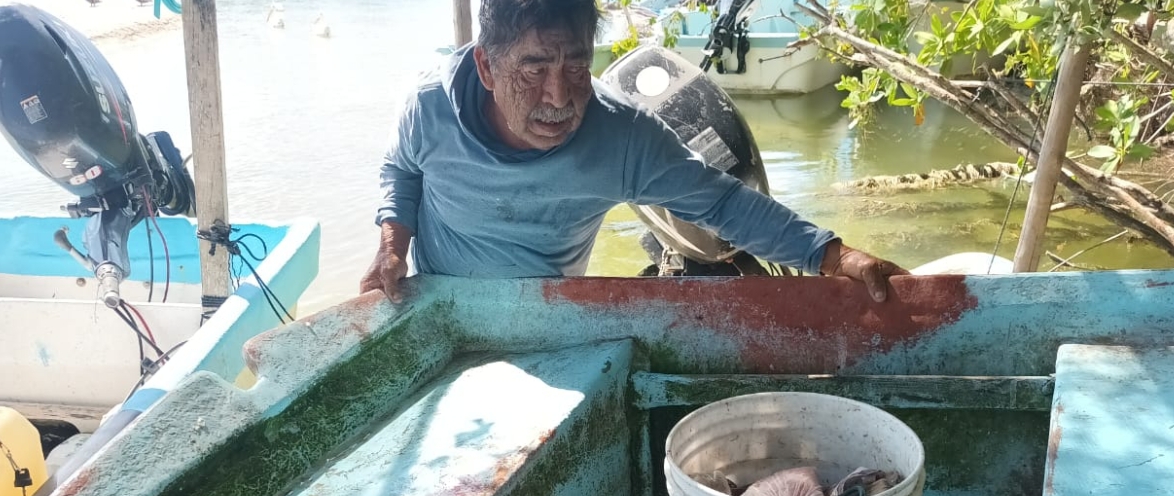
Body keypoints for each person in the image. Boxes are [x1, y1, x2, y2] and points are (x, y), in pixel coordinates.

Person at [361, 0, 908, 303]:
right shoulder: (428, 106)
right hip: (437, 300)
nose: (558, 96)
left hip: (547, 313)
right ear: (485, 67)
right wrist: (392, 247)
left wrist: (836, 257)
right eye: (533, 68)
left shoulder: (621, 137)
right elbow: (402, 169)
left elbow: (721, 205)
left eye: (576, 65)